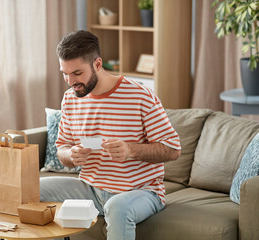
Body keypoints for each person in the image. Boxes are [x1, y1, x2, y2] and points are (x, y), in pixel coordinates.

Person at [40, 30, 181, 240]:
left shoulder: (140, 95)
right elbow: (62, 148)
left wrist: (131, 149)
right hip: (90, 189)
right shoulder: (70, 99)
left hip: (142, 192)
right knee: (31, 189)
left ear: (97, 64)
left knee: (117, 206)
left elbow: (173, 150)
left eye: (77, 73)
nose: (70, 81)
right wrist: (71, 155)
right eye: (65, 73)